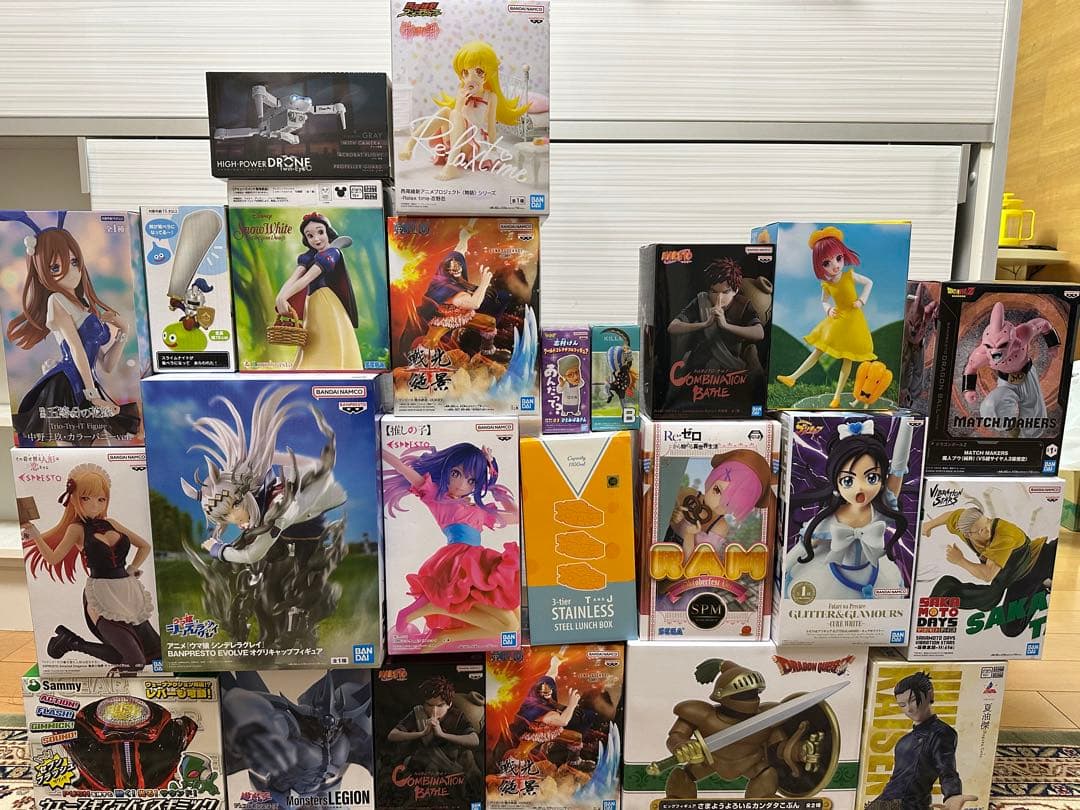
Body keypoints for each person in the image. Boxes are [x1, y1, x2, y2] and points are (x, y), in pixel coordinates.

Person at [3, 214, 139, 443]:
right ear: (43, 272)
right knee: (73, 449)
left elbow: (106, 365)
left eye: (74, 262)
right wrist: (92, 395)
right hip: (68, 385)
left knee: (101, 446)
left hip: (88, 382)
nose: (71, 272)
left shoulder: (83, 305)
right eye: (56, 267)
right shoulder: (56, 300)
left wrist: (123, 330)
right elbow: (76, 349)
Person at [21, 463, 160, 673]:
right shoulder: (76, 529)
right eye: (86, 498)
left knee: (154, 653)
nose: (95, 505)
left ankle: (70, 641)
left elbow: (144, 546)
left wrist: (132, 568)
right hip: (101, 595)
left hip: (128, 594)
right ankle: (76, 644)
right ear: (74, 499)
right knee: (134, 661)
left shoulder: (112, 523)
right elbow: (53, 558)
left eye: (101, 499)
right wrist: (35, 535)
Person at [382, 442, 520, 650]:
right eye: (456, 474)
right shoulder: (437, 498)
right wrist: (378, 450)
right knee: (508, 625)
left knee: (513, 623)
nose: (462, 484)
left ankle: (445, 635)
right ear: (446, 470)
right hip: (458, 562)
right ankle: (431, 608)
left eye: (471, 480)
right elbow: (403, 469)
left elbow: (517, 517)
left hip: (479, 565)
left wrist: (498, 493)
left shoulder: (480, 511)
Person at [784, 419, 913, 600]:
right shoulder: (828, 520)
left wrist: (909, 423)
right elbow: (804, 546)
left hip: (877, 576)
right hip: (829, 580)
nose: (860, 488)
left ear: (882, 479)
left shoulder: (880, 510)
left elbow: (898, 468)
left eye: (871, 478)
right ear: (835, 482)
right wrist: (782, 569)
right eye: (848, 480)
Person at [398, 41, 530, 180]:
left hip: (473, 144)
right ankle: (410, 144)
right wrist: (460, 102)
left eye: (479, 72)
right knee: (446, 111)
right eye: (465, 73)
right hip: (455, 140)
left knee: (454, 113)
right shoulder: (461, 91)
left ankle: (451, 166)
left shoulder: (491, 96)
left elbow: (491, 127)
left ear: (488, 74)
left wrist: (492, 150)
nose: (471, 78)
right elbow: (455, 120)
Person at [920, 501, 1056, 637]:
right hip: (1018, 578)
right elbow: (950, 516)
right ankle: (948, 588)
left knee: (991, 597)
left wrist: (960, 560)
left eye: (987, 523)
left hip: (1040, 560)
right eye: (980, 530)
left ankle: (1045, 581)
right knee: (1010, 627)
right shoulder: (965, 524)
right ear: (967, 534)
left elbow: (987, 575)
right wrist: (928, 525)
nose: (986, 530)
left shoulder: (1005, 535)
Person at [776, 226, 876, 408]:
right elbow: (824, 301)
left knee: (848, 358)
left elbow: (869, 282)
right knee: (818, 349)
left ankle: (836, 397)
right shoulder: (827, 284)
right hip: (837, 319)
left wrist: (861, 300)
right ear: (819, 266)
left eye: (838, 258)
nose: (835, 265)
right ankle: (793, 377)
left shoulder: (849, 276)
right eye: (827, 263)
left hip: (853, 321)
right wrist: (828, 309)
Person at [865, 672, 975, 810]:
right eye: (902, 704)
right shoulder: (904, 741)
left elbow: (946, 769)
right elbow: (897, 781)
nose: (909, 709)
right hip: (886, 803)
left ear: (930, 695)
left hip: (909, 805)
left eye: (913, 700)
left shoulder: (941, 733)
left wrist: (953, 795)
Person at [274, 212, 362, 370]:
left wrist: (285, 297)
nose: (316, 239)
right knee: (311, 340)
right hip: (311, 304)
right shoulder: (309, 256)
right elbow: (295, 276)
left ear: (328, 232)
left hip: (325, 303)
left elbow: (307, 278)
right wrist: (280, 297)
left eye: (320, 232)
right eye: (310, 235)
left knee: (327, 338)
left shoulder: (332, 253)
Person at [668, 256, 765, 381]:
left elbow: (759, 333)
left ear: (735, 290)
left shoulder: (743, 304)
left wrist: (725, 325)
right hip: (699, 365)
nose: (719, 298)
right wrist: (704, 324)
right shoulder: (701, 300)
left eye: (725, 292)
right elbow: (673, 327)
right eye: (714, 292)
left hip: (732, 365)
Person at [386, 676, 480, 777]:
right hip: (424, 763)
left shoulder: (457, 715)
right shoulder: (418, 712)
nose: (434, 711)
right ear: (424, 703)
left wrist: (442, 734)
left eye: (440, 706)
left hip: (451, 763)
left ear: (449, 704)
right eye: (429, 705)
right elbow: (392, 735)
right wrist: (422, 733)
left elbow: (474, 740)